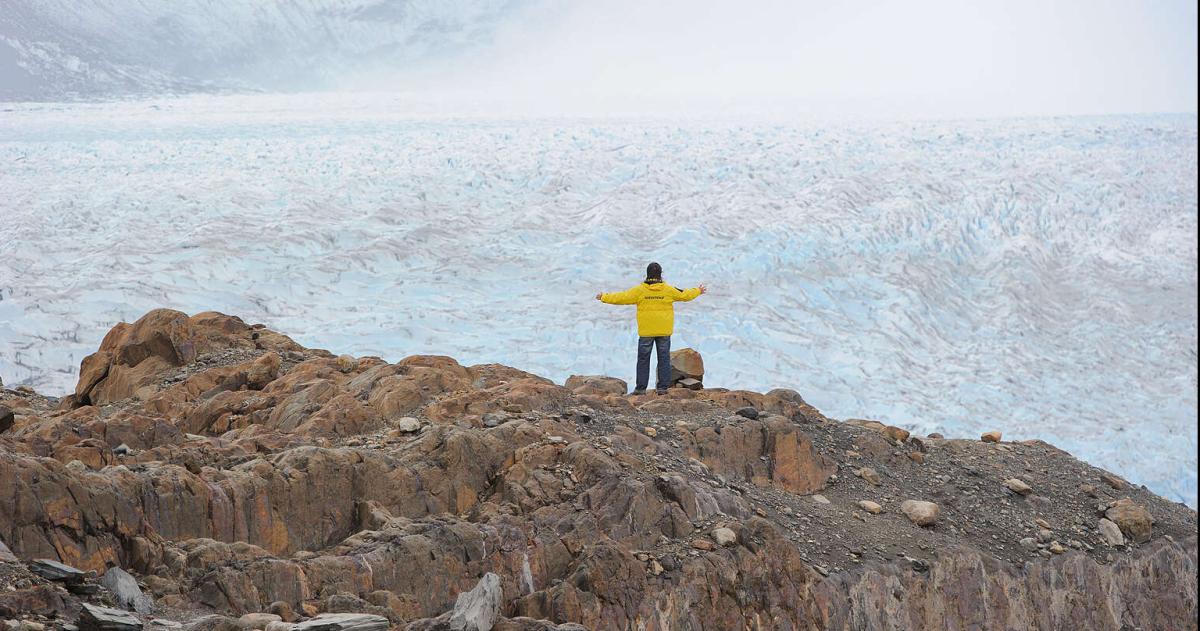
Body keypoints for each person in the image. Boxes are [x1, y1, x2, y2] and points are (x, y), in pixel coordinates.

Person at [596, 262, 707, 395]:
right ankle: (662, 388)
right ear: (660, 274)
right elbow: (685, 295)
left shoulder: (639, 290)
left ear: (647, 274)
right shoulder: (668, 290)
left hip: (646, 332)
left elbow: (621, 297)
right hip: (663, 331)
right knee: (664, 359)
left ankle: (640, 389)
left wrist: (604, 297)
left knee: (643, 360)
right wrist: (698, 291)